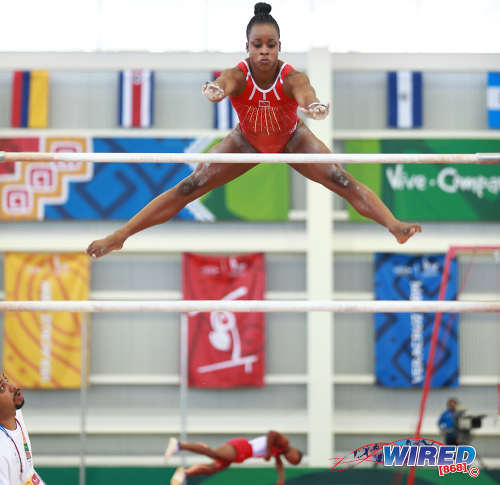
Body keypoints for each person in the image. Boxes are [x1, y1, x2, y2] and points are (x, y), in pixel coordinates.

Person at [86, 2, 421, 260]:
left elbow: (306, 94)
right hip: (245, 142)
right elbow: (224, 82)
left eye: (271, 45)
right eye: (257, 44)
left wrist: (313, 106)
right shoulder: (239, 74)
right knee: (191, 184)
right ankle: (121, 235)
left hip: (292, 139)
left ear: (279, 47)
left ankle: (393, 226)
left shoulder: (292, 77)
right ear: (247, 46)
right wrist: (216, 89)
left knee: (341, 179)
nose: (264, 51)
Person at [164, 430, 302, 485]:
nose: (290, 460)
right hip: (243, 448)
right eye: (293, 459)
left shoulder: (280, 452)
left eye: (292, 462)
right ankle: (178, 445)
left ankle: (185, 473)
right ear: (295, 451)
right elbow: (272, 433)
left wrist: (281, 478)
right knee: (213, 454)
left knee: (213, 468)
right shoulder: (285, 442)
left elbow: (279, 464)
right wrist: (267, 452)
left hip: (243, 455)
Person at [0, 372, 45, 485]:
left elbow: (27, 474)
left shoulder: (14, 413)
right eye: (1, 387)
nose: (13, 387)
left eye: (6, 379)